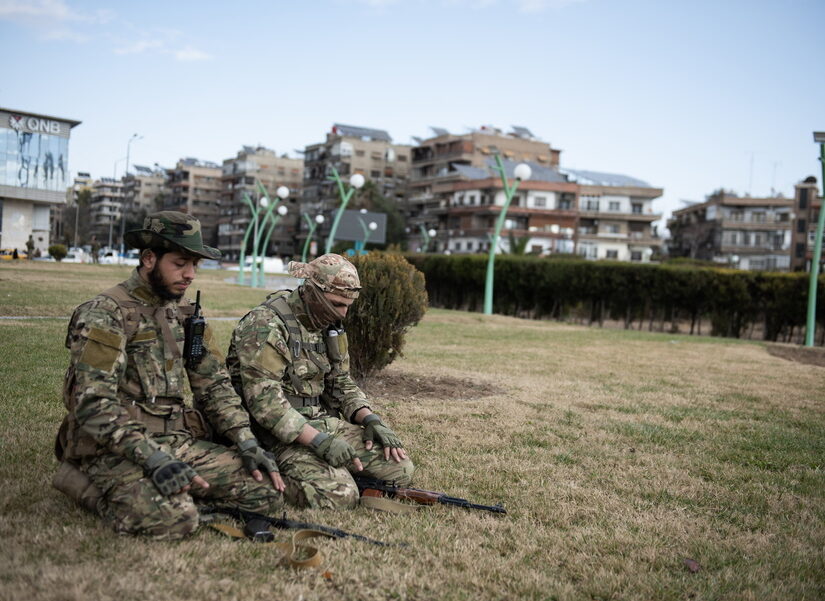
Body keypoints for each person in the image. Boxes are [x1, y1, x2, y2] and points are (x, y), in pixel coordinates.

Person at [54, 211, 284, 539]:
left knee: (267, 492)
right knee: (176, 521)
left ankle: (176, 492)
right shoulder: (105, 314)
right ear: (149, 259)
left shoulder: (185, 314)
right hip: (115, 448)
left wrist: (245, 441)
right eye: (180, 263)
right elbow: (92, 403)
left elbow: (213, 384)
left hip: (176, 440)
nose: (190, 274)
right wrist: (153, 460)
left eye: (195, 265)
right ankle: (78, 480)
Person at [226, 254, 414, 510]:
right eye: (337, 304)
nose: (343, 313)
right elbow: (265, 404)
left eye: (347, 305)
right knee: (340, 496)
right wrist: (318, 442)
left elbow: (340, 382)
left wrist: (370, 419)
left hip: (319, 421)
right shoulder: (267, 324)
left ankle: (329, 471)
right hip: (275, 435)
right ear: (312, 292)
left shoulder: (327, 325)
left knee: (399, 469)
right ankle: (264, 480)